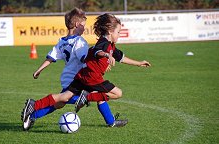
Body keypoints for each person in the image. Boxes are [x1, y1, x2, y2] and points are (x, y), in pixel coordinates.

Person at [22, 13, 151, 129]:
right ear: (110, 31)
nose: (119, 35)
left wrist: (139, 63)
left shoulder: (107, 44)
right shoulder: (99, 43)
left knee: (63, 98)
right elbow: (96, 52)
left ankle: (34, 105)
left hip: (81, 75)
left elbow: (120, 57)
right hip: (90, 77)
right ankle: (88, 99)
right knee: (117, 93)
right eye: (118, 32)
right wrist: (106, 56)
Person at [22, 8, 116, 131]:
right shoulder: (80, 41)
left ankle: (32, 116)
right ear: (77, 24)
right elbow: (86, 59)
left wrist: (39, 70)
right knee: (96, 95)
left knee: (60, 103)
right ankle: (33, 107)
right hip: (78, 78)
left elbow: (51, 57)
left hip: (67, 77)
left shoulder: (61, 42)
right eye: (83, 25)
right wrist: (103, 61)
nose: (84, 28)